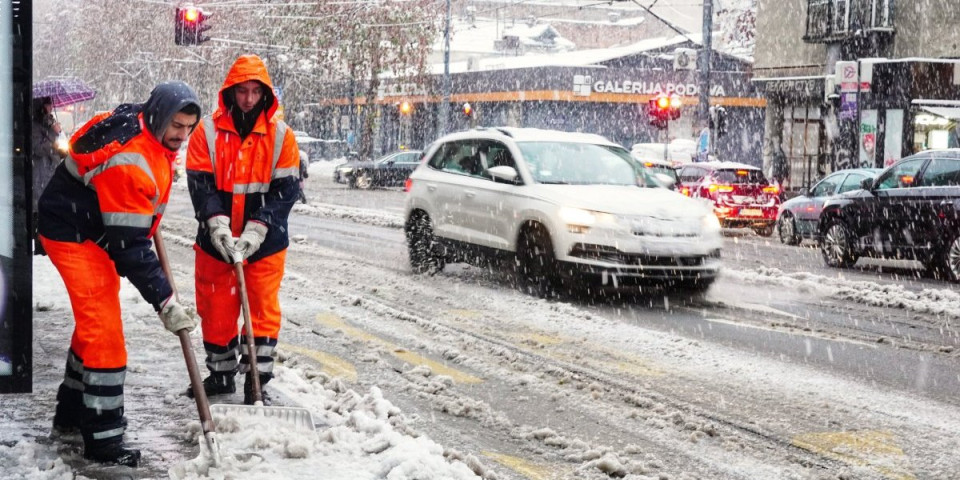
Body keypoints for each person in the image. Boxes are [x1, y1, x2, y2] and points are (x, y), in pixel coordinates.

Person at [37, 81, 202, 467]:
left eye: (188, 127)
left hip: (89, 226)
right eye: (176, 125)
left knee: (95, 323)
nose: (182, 135)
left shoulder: (144, 126)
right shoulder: (132, 159)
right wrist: (165, 301)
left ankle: (71, 414)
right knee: (106, 334)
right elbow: (130, 250)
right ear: (160, 115)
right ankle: (104, 439)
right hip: (73, 232)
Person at [185, 55, 299, 406]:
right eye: (242, 91)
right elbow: (200, 185)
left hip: (265, 244)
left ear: (265, 94)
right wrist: (217, 224)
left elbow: (285, 192)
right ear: (230, 92)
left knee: (262, 310)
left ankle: (256, 380)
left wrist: (258, 228)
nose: (248, 99)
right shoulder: (206, 133)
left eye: (255, 92)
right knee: (216, 309)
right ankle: (220, 376)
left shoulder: (281, 137)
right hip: (215, 242)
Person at [31, 96, 67, 256]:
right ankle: (39, 244)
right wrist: (53, 134)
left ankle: (45, 242)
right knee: (39, 207)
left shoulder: (49, 122)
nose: (51, 107)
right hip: (40, 171)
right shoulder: (35, 124)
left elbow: (54, 145)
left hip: (50, 170)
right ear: (41, 106)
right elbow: (37, 148)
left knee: (47, 207)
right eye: (48, 104)